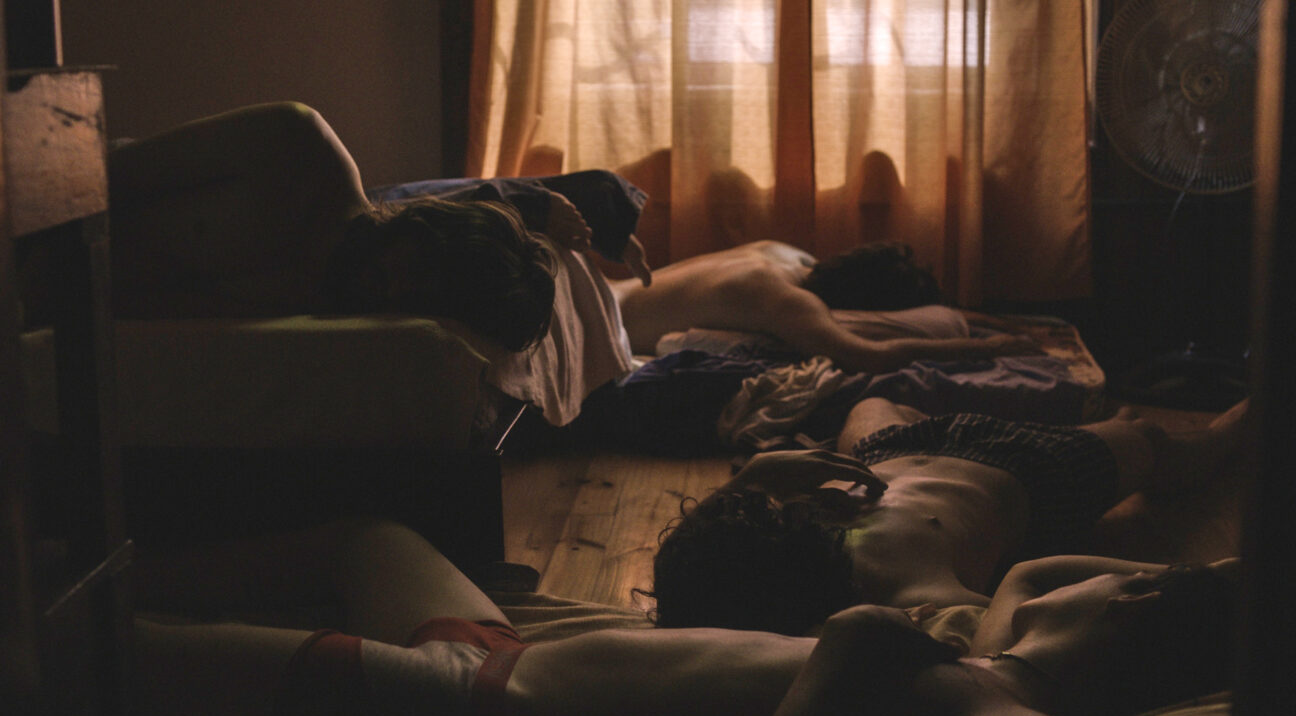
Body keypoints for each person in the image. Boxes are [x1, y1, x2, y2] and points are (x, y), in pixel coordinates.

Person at [131, 518, 1237, 716]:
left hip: (464, 707)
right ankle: (108, 567)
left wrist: (853, 649)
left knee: (104, 661)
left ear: (1134, 603)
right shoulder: (991, 651)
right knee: (366, 538)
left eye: (1138, 576)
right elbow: (1039, 570)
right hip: (511, 660)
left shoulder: (1003, 711)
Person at [46, 102, 645, 351]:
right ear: (423, 228)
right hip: (37, 223)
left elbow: (138, 307)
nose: (395, 292)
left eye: (424, 298)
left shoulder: (318, 307)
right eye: (417, 268)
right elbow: (95, 172)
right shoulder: (297, 146)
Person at [647, 397, 1250, 635]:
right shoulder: (908, 595)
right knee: (1157, 441)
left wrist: (755, 474)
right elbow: (1004, 627)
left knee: (872, 400)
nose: (789, 515)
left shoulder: (751, 553)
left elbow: (699, 552)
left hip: (891, 449)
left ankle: (1096, 418)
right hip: (1033, 469)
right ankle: (1252, 410)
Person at [770, 555, 1239, 716]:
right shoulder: (991, 664)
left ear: (1131, 603)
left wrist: (852, 635)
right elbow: (1030, 573)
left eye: (1119, 575)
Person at [608, 239, 1037, 371]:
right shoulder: (788, 302)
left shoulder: (777, 252)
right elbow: (870, 355)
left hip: (606, 288)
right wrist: (988, 347)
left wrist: (986, 319)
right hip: (602, 322)